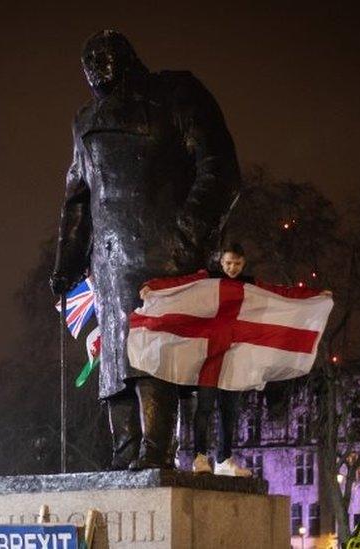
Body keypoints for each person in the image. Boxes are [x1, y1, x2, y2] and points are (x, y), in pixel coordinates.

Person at [51, 30, 241, 470]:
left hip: (166, 253)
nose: (97, 66)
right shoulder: (85, 121)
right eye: (90, 60)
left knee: (156, 353)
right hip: (110, 260)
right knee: (116, 357)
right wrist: (67, 262)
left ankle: (157, 450)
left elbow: (221, 169)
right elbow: (78, 196)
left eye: (105, 56)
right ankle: (125, 452)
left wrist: (189, 234)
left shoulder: (177, 93)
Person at [140, 243, 331, 476]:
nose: (232, 268)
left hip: (236, 357)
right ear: (221, 261)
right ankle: (200, 458)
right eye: (228, 263)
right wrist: (153, 287)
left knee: (229, 410)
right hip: (210, 355)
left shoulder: (251, 286)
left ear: (244, 263)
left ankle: (223, 459)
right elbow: (181, 285)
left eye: (237, 264)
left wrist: (313, 295)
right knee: (205, 409)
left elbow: (282, 292)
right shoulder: (207, 279)